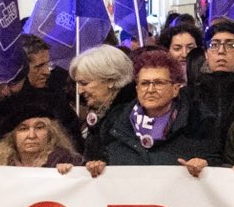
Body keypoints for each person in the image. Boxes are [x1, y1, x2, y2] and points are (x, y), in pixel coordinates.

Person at [88, 48, 223, 172]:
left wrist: (204, 165)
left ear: (175, 89)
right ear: (137, 89)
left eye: (159, 83)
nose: (150, 90)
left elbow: (216, 164)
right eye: (144, 83)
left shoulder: (199, 123)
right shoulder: (114, 122)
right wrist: (96, 166)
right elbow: (97, 159)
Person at [69, 46, 136, 160]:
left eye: (84, 83)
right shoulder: (103, 112)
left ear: (110, 80)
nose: (79, 91)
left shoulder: (130, 116)